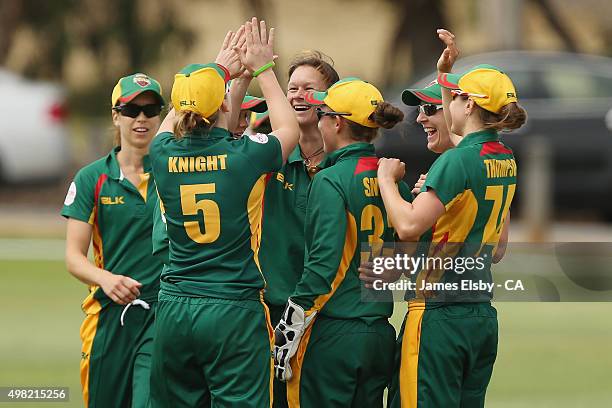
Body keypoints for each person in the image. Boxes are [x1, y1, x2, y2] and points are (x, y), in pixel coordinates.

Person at [148, 18, 299, 407]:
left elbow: (179, 122)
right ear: (225, 104)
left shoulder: (162, 154)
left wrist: (220, 70)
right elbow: (288, 129)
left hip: (176, 307)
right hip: (232, 308)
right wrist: (264, 68)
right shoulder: (243, 157)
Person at [376, 29, 527, 407]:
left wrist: (386, 182)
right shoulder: (501, 156)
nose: (425, 116)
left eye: (445, 103)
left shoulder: (455, 161)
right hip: (479, 316)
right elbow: (498, 249)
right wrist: (446, 76)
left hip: (437, 315)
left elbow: (409, 225)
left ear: (469, 106)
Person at [273, 77, 411, 407]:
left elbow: (324, 264)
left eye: (322, 112)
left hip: (335, 333)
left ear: (336, 122)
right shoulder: (391, 179)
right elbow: (413, 248)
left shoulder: (330, 180)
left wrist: (292, 322)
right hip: (379, 331)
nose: (318, 119)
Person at [231, 49, 338, 408]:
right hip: (273, 313)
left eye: (308, 88)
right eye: (291, 88)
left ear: (331, 101)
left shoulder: (348, 162)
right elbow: (223, 134)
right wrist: (245, 74)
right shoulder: (266, 152)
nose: (296, 95)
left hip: (330, 317)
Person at [62, 73, 165, 407]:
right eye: (131, 109)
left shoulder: (174, 172)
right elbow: (74, 257)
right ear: (115, 115)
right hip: (109, 318)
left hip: (162, 315)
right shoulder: (92, 178)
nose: (141, 118)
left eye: (151, 109)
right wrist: (106, 279)